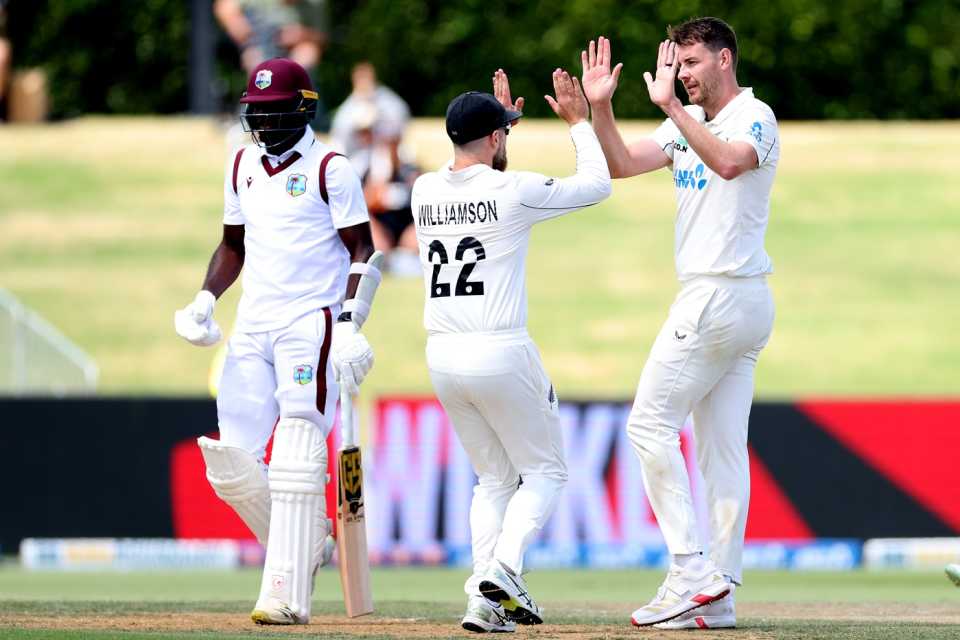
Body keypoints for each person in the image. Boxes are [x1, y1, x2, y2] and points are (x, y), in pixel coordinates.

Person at [580, 18, 779, 629]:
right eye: (678, 64)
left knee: (647, 425)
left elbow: (729, 164)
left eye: (691, 62)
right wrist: (601, 109)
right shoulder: (681, 124)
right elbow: (618, 164)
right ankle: (719, 596)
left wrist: (672, 107)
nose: (681, 74)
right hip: (729, 301)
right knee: (721, 452)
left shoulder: (755, 116)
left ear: (724, 59)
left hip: (720, 296)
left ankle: (691, 569)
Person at [174, 57, 377, 625]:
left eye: (274, 111)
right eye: (255, 112)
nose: (263, 122)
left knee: (295, 452)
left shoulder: (330, 167)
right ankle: (308, 541)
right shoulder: (239, 162)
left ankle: (286, 596)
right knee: (229, 462)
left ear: (303, 108)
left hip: (309, 322)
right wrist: (205, 299)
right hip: (253, 323)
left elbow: (363, 248)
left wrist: (351, 323)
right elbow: (231, 244)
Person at [411, 69, 611, 633]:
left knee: (492, 480)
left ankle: (483, 598)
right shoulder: (513, 189)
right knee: (545, 472)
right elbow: (597, 185)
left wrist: (501, 129)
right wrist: (578, 123)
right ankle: (504, 569)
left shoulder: (423, 190)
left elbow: (478, 173)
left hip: (443, 355)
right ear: (496, 139)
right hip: (499, 349)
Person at [330, 61, 410, 158]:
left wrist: (378, 122)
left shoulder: (388, 101)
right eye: (361, 80)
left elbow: (400, 121)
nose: (364, 83)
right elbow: (340, 138)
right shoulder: (347, 110)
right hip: (357, 156)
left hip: (389, 154)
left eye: (367, 79)